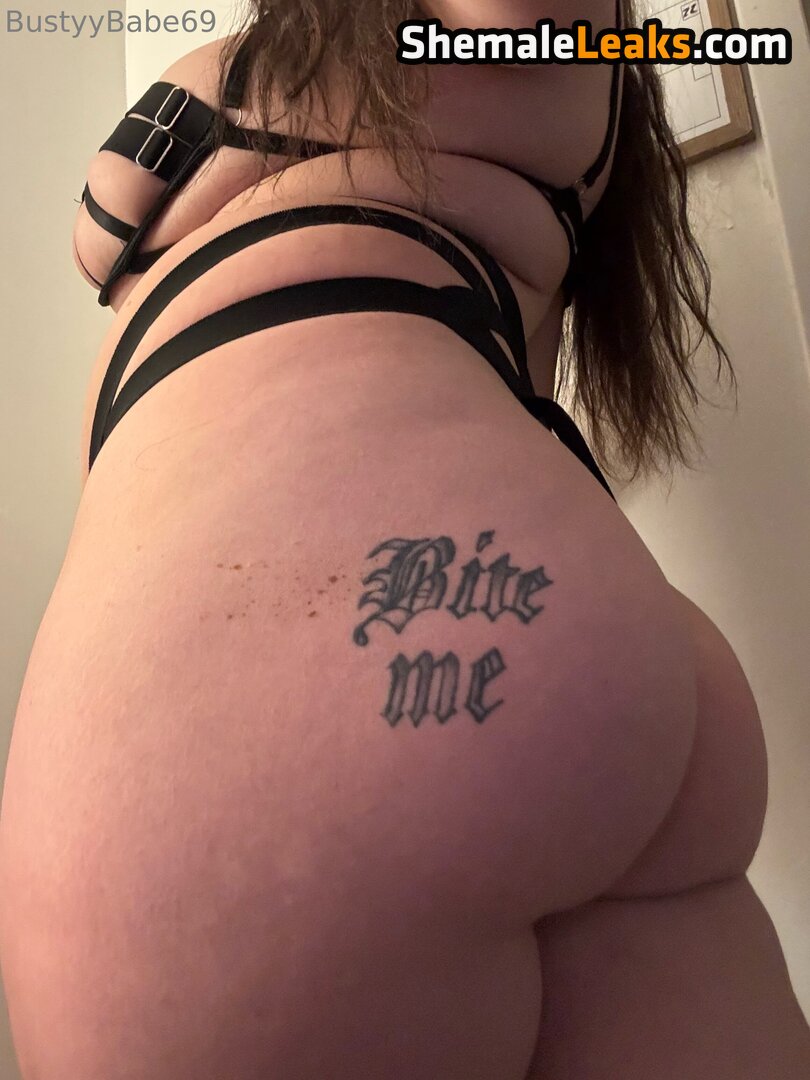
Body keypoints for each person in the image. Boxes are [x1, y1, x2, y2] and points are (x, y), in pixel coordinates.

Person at [1, 2, 809, 1077]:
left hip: (254, 704)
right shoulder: (540, 84)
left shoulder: (462, 49)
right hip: (568, 635)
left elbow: (105, 230)